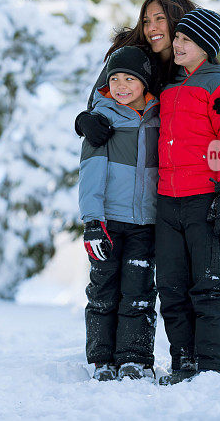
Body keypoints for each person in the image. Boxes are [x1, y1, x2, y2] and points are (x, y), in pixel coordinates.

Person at [155, 8, 220, 385]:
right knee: (172, 288)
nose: (176, 44)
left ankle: (213, 366)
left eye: (186, 40)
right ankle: (185, 361)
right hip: (167, 202)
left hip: (205, 199)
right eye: (177, 38)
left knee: (209, 285)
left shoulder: (219, 86)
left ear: (205, 47)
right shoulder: (169, 88)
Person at [74, 0, 220, 147]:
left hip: (176, 172)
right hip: (128, 162)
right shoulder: (129, 60)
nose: (151, 28)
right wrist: (83, 121)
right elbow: (97, 102)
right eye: (146, 21)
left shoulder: (198, 68)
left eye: (160, 19)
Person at [78, 46, 159, 382]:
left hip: (145, 222)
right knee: (104, 290)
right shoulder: (103, 119)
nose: (121, 85)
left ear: (145, 83)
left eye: (130, 78)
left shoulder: (159, 116)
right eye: (114, 78)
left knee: (138, 290)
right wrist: (93, 221)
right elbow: (91, 172)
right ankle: (102, 360)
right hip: (109, 221)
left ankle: (134, 358)